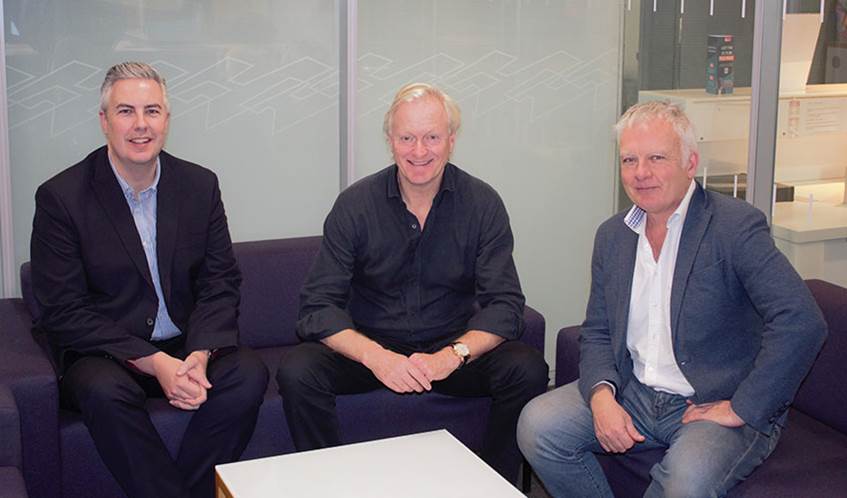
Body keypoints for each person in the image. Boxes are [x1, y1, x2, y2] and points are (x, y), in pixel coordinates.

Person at [517, 101, 828, 498]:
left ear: (690, 162)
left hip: (711, 402)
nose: (640, 172)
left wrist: (741, 406)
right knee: (538, 426)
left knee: (685, 483)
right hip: (636, 390)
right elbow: (597, 330)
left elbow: (801, 320)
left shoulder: (735, 227)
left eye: (656, 158)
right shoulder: (613, 235)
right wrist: (600, 396)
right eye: (629, 159)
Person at [277, 82, 548, 483]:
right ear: (391, 141)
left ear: (451, 141)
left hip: (451, 351)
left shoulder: (482, 203)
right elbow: (316, 308)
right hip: (372, 350)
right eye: (407, 137)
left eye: (432, 137)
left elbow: (505, 306)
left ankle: (493, 485)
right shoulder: (355, 204)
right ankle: (327, 484)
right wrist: (377, 358)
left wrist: (451, 355)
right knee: (298, 370)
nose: (419, 151)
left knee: (526, 368)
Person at [30, 62, 269, 498]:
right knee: (103, 392)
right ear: (104, 121)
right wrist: (154, 363)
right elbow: (61, 311)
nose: (141, 125)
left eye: (152, 111)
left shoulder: (199, 185)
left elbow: (220, 281)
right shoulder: (61, 198)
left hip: (184, 343)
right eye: (125, 111)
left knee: (248, 373)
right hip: (106, 352)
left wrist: (200, 352)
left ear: (167, 120)